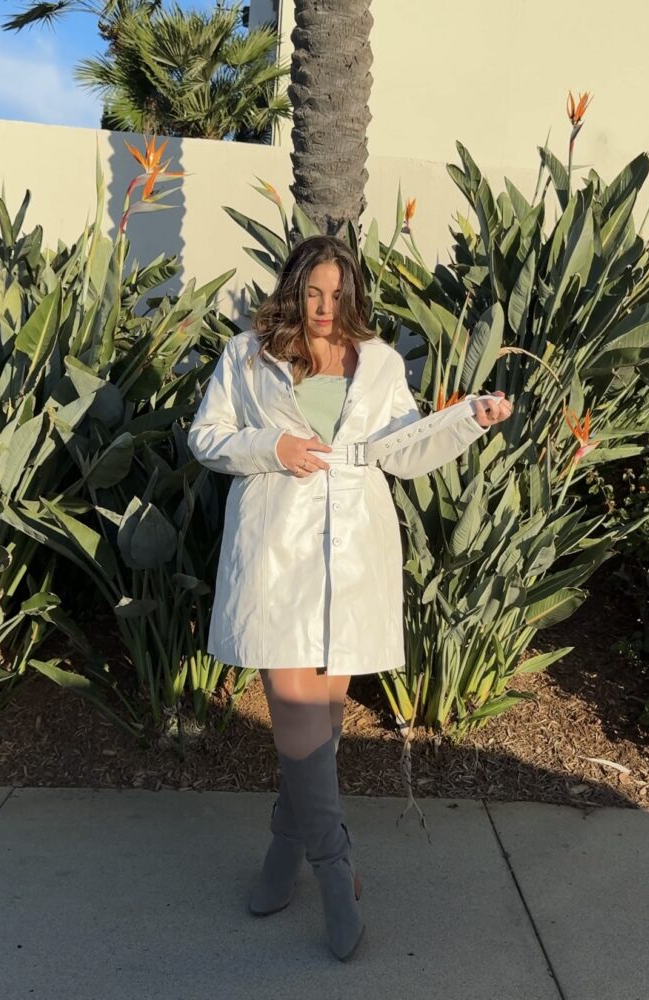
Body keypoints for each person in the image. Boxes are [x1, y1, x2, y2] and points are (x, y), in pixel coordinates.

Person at [187, 235, 512, 962]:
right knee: (300, 724)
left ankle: (281, 861)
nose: (326, 309)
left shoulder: (383, 362)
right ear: (294, 289)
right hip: (276, 554)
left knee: (321, 734)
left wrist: (468, 420)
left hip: (351, 557)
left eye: (339, 295)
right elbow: (206, 437)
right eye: (313, 293)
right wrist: (273, 448)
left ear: (353, 295)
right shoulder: (247, 356)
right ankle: (336, 879)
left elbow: (401, 448)